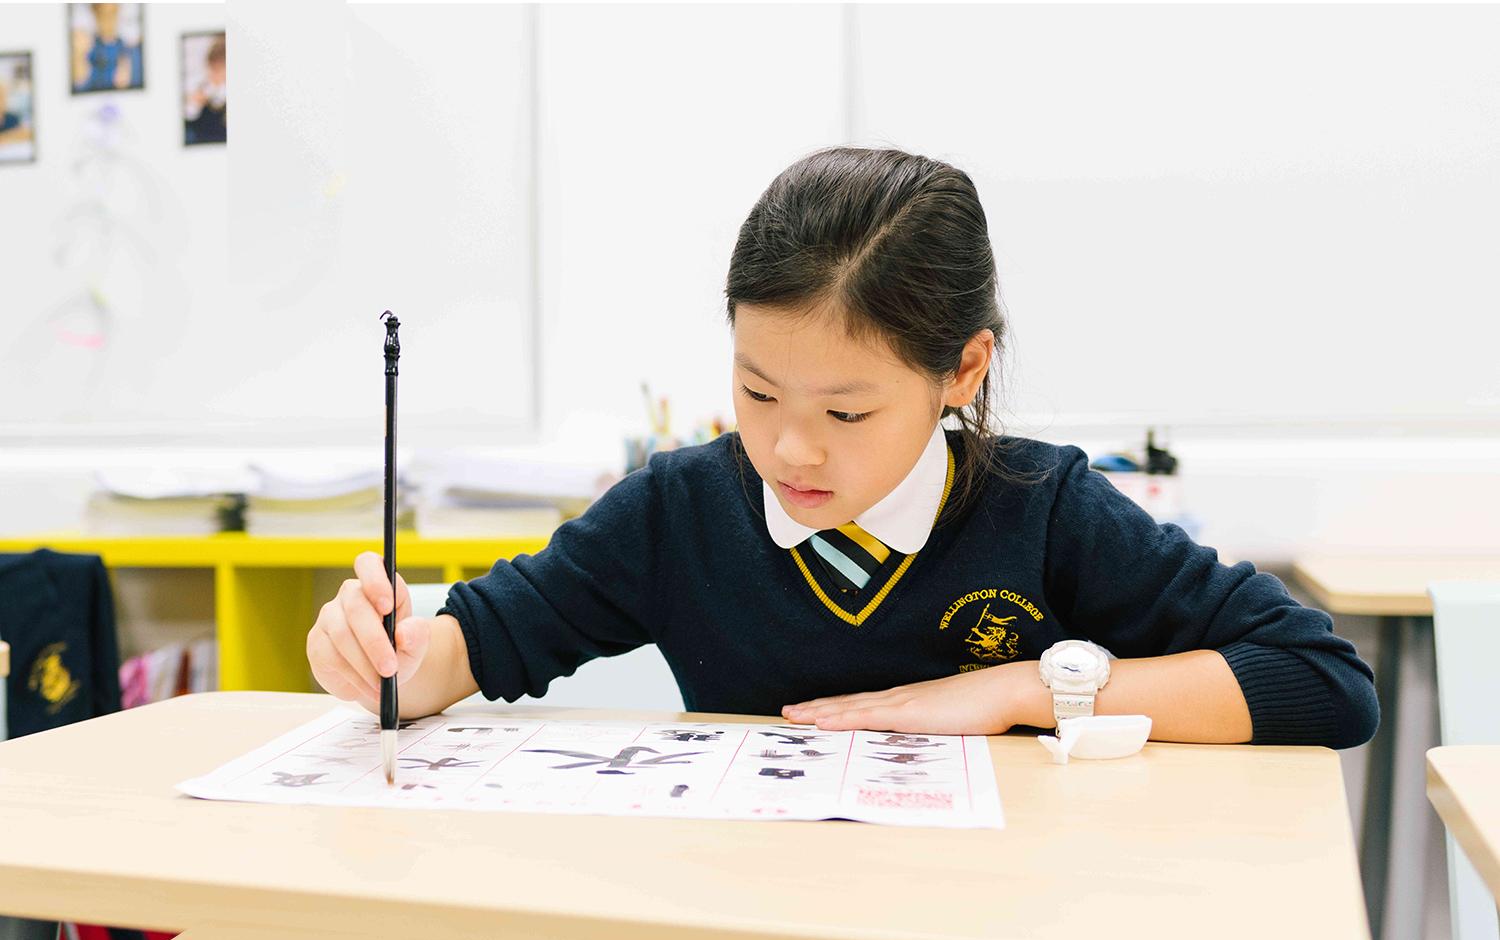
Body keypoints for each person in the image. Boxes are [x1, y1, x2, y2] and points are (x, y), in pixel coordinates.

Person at [306, 146, 1377, 749]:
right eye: (756, 388)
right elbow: (477, 643)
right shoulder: (680, 507)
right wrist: (385, 652)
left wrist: (1018, 690)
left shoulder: (1043, 507)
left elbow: (1325, 680)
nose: (784, 446)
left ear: (960, 372)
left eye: (846, 413)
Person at [71, 3, 143, 93]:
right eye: (102, 14)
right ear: (95, 14)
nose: (108, 20)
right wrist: (79, 56)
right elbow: (80, 82)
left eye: (112, 13)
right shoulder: (89, 47)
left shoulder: (127, 49)